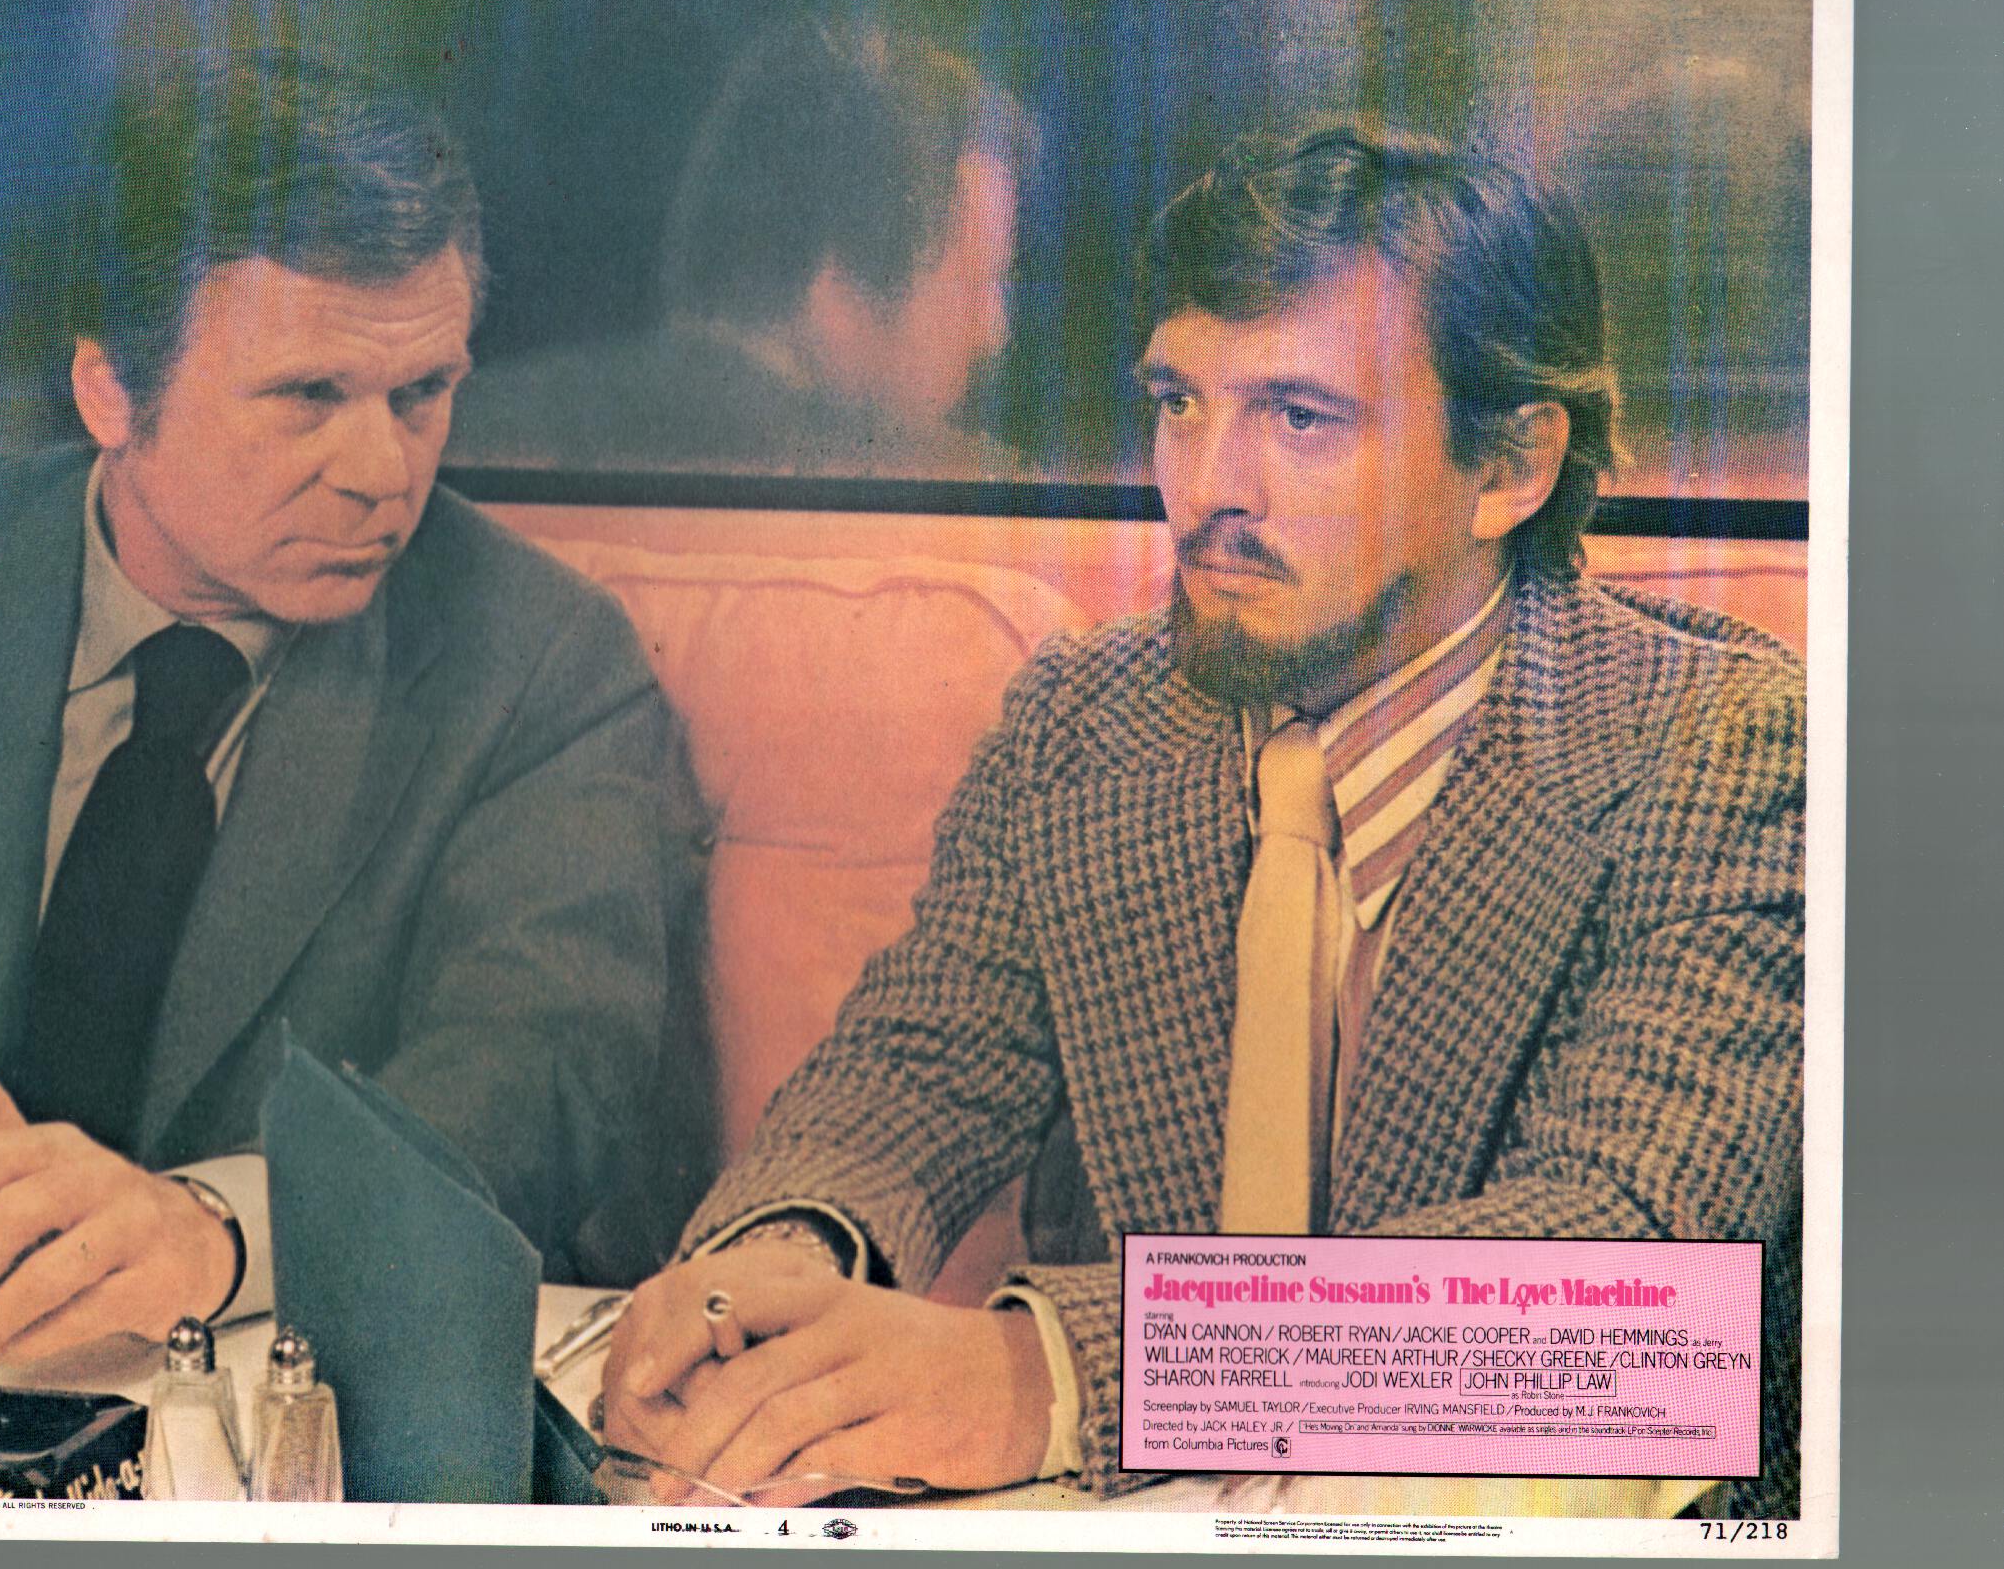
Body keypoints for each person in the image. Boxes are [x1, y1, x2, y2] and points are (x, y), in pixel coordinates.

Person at [599, 124, 1804, 1519]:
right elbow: (914, 1066)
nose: (1209, 487)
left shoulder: (1721, 747)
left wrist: (1042, 1377)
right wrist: (775, 1261)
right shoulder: (1083, 723)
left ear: (1510, 469)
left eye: (1299, 418)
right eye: (1179, 402)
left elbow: (1623, 1289)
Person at [0, 50, 707, 1362]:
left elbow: (538, 1082)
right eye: (308, 397)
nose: (382, 473)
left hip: (279, 1369)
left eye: (422, 394)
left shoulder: (543, 663)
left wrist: (219, 1231)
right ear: (110, 391)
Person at [455, 18, 1027, 478]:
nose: (994, 329)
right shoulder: (966, 491)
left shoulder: (462, 430)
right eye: (979, 282)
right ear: (838, 283)